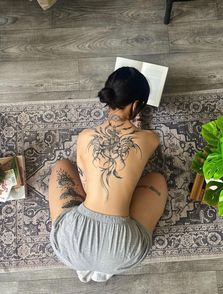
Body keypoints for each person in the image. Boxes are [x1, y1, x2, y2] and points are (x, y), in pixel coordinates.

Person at [48, 67, 168, 283]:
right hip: (124, 250)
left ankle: (88, 262)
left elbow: (84, 183)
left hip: (71, 246)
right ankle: (105, 263)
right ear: (136, 105)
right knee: (157, 179)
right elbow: (138, 155)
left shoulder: (85, 137)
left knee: (62, 165)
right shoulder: (150, 139)